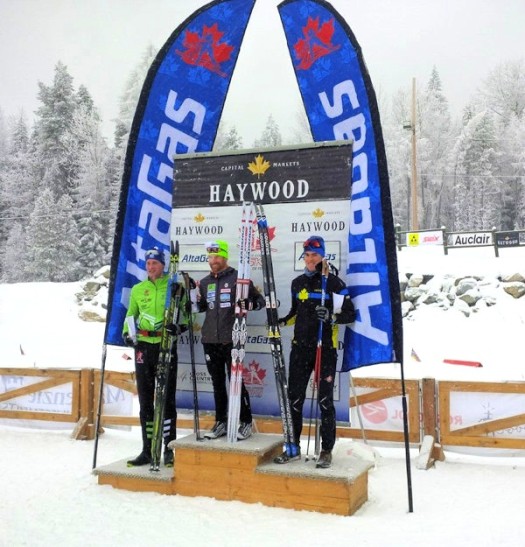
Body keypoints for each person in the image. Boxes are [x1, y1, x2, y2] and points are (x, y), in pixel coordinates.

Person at [276, 235, 356, 468]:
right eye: (307, 256)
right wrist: (280, 322)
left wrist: (331, 316)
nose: (311, 259)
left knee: (324, 400)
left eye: (315, 255)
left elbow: (350, 315)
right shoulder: (297, 282)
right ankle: (292, 446)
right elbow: (294, 314)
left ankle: (326, 450)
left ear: (323, 256)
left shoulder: (334, 284)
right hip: (300, 349)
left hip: (325, 349)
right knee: (294, 400)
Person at [123, 247, 189, 467]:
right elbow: (131, 314)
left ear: (163, 265)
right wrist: (127, 333)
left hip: (165, 345)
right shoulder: (138, 289)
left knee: (167, 399)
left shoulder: (174, 287)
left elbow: (187, 317)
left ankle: (169, 449)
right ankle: (148, 449)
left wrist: (178, 328)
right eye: (149, 263)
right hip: (143, 346)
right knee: (145, 400)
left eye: (156, 263)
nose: (151, 267)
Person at [197, 239, 265, 441]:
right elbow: (200, 308)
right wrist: (193, 297)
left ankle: (245, 422)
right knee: (217, 383)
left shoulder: (238, 279)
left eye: (217, 256)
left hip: (232, 339)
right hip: (210, 339)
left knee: (236, 382)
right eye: (210, 256)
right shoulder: (205, 282)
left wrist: (249, 304)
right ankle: (221, 422)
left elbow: (259, 301)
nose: (213, 260)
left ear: (225, 256)